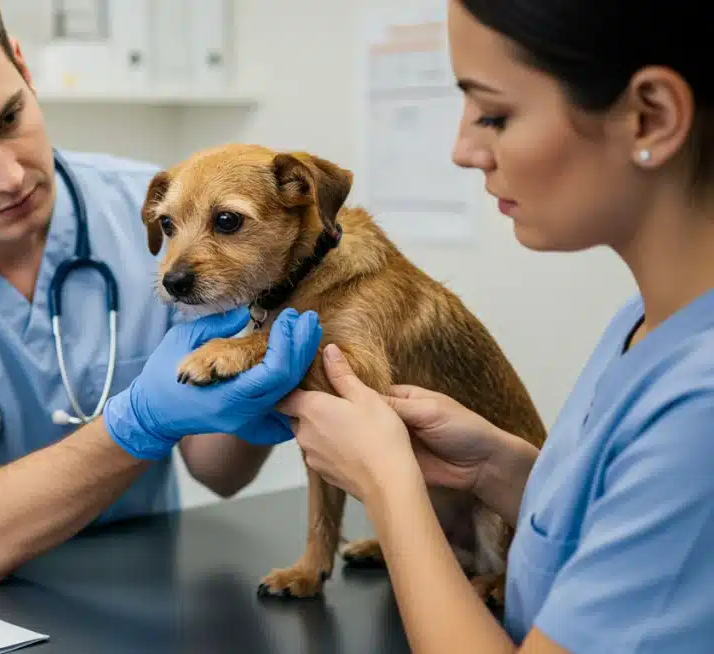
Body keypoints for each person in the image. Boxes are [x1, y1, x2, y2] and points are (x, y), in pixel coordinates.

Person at [0, 0, 321, 583]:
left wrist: (259, 382)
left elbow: (218, 471)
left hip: (142, 589)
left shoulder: (159, 215)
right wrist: (141, 421)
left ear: (22, 68)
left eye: (7, 120)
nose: (9, 177)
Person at [278, 0, 714, 652]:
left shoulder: (700, 405)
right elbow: (620, 534)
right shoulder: (645, 325)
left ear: (650, 115)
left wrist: (390, 486)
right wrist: (498, 470)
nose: (463, 151)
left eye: (494, 114)